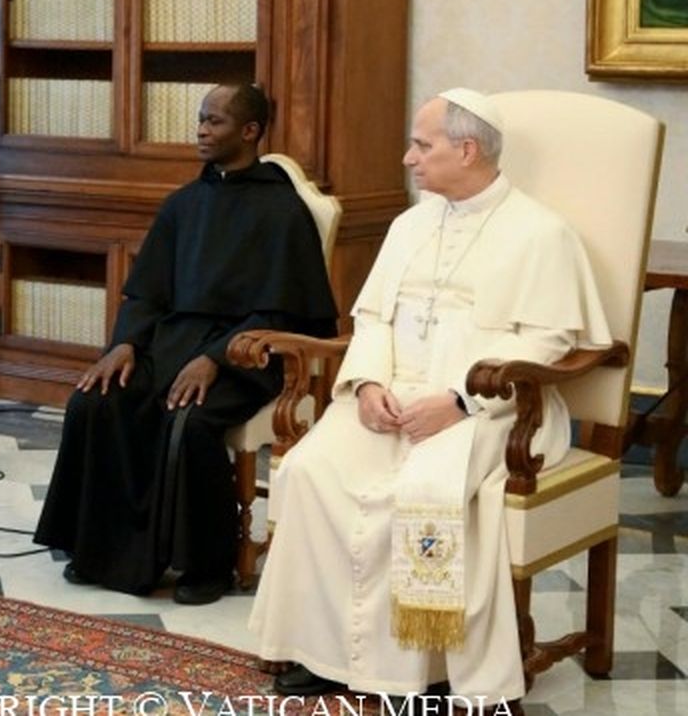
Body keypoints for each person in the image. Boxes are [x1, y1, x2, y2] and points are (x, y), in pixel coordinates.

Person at [250, 89, 611, 702]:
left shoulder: (541, 234)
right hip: (391, 401)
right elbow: (372, 321)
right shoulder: (409, 224)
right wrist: (365, 385)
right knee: (311, 470)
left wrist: (460, 402)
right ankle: (326, 652)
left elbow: (552, 342)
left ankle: (418, 671)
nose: (408, 159)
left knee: (409, 494)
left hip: (494, 415)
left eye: (422, 145)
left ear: (467, 150)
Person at [33, 83, 338, 604]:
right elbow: (147, 292)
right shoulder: (183, 204)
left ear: (250, 131)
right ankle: (100, 550)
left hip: (247, 354)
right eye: (201, 119)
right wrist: (125, 345)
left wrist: (215, 358)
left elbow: (286, 310)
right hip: (169, 344)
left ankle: (207, 565)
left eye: (215, 121)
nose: (201, 129)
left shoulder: (283, 212)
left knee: (190, 422)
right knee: (95, 401)